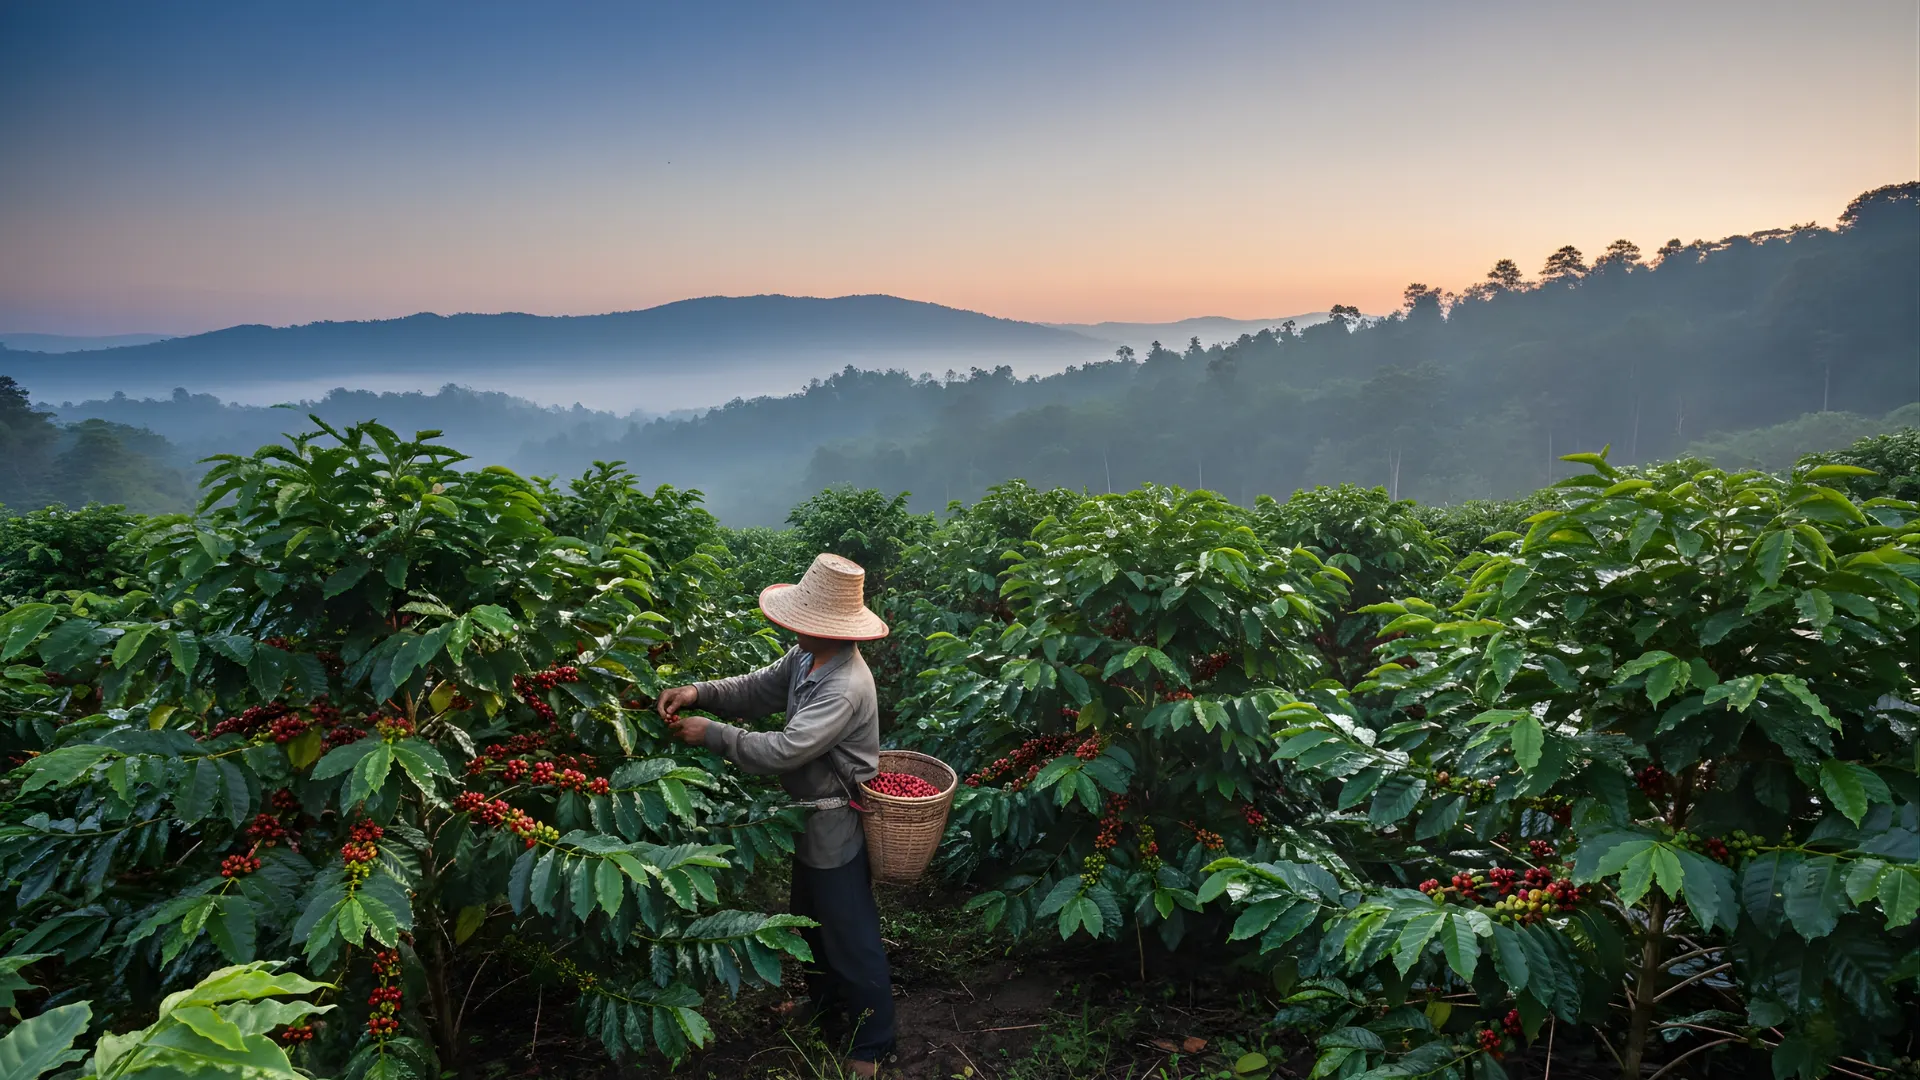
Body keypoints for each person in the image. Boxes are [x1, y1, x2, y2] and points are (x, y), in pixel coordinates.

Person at [656, 552, 895, 1077]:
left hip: (836, 821)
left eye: (800, 621)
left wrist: (712, 734)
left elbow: (785, 750)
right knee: (812, 923)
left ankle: (871, 1046)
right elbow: (756, 688)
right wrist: (701, 692)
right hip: (806, 818)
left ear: (826, 627)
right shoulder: (807, 656)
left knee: (849, 936)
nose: (791, 627)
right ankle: (828, 1009)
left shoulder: (845, 686)